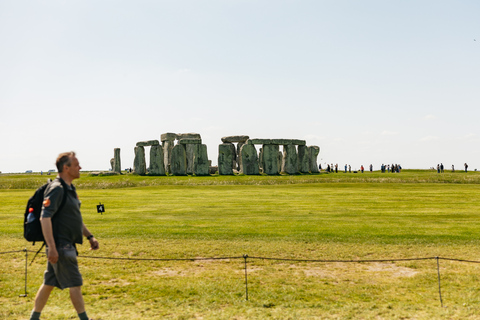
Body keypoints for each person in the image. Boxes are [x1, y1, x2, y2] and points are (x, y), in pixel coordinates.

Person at [29, 152, 99, 320]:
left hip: (65, 245)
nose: (80, 167)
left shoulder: (70, 189)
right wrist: (52, 247)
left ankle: (34, 317)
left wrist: (89, 236)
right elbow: (44, 217)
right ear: (66, 168)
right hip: (61, 246)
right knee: (75, 283)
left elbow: (75, 217)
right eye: (76, 165)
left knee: (48, 283)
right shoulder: (57, 189)